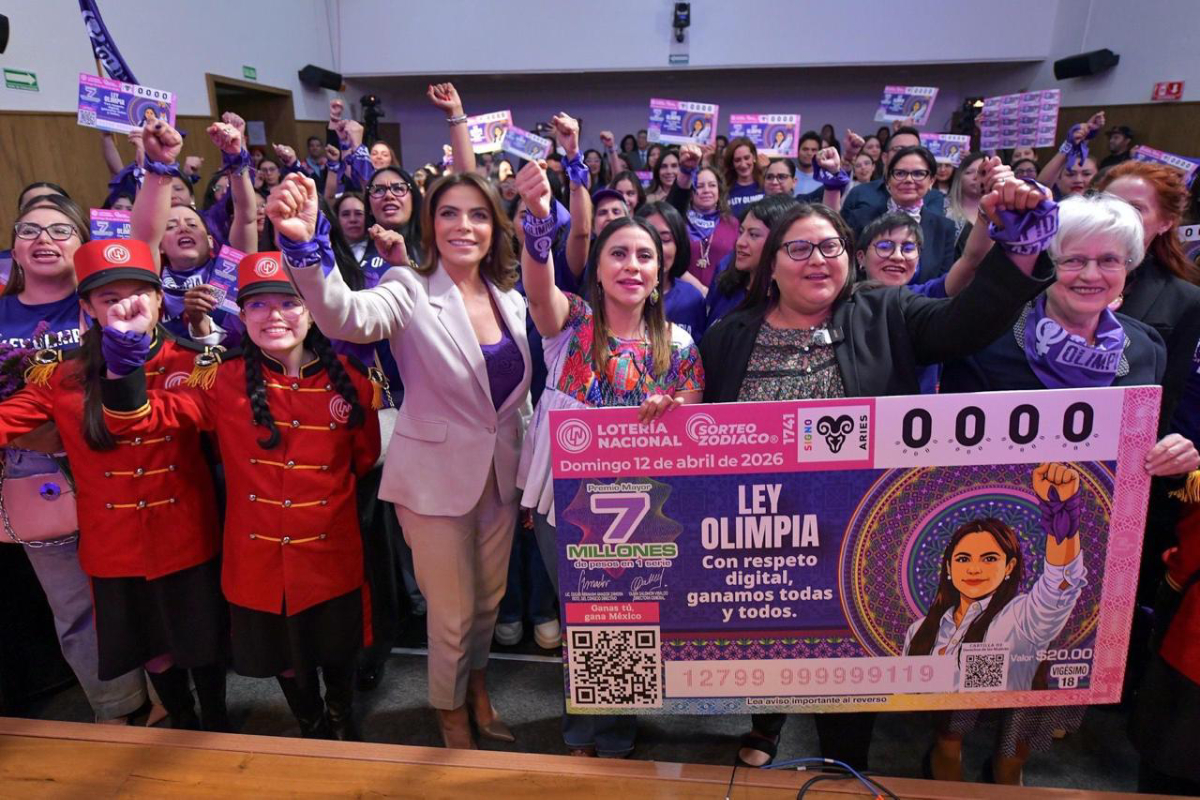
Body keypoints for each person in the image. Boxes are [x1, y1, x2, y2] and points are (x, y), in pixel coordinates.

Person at [700, 180, 1056, 771]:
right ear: (771, 265)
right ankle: (766, 723)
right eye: (799, 248)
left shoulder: (887, 311)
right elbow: (703, 429)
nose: (818, 260)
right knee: (774, 642)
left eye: (830, 247)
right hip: (765, 531)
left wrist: (1017, 251)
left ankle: (844, 763)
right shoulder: (728, 336)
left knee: (849, 659)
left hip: (860, 533)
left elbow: (966, 326)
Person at [936, 191, 1196, 785]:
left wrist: (1174, 452)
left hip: (1093, 533)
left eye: (1109, 260)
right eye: (1074, 259)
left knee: (1059, 656)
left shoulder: (1145, 346)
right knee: (978, 642)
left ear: (1129, 267)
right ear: (1050, 262)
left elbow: (1151, 432)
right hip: (994, 526)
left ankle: (1013, 759)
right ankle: (948, 745)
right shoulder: (991, 336)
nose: (1090, 274)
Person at [271, 165, 532, 750]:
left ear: (494, 227)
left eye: (478, 214)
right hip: (434, 484)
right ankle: (450, 714)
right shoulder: (408, 287)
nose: (463, 226)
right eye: (449, 213)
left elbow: (517, 400)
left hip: (500, 479)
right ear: (430, 223)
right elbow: (344, 314)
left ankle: (478, 689)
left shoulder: (510, 299)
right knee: (452, 615)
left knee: (487, 606)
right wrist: (306, 249)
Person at [99, 250, 381, 741]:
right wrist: (123, 362)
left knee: (338, 648)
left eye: (289, 302)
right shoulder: (219, 378)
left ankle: (340, 717)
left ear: (314, 308)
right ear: (242, 314)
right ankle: (311, 724)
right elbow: (140, 420)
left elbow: (364, 458)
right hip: (259, 558)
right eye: (258, 305)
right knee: (284, 656)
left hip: (331, 550)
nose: (274, 316)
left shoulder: (353, 380)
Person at [0, 238, 229, 731]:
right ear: (87, 307)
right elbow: (8, 418)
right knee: (151, 647)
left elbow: (204, 417)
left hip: (185, 532)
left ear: (160, 298)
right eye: (109, 298)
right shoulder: (61, 374)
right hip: (115, 544)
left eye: (138, 293)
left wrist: (126, 373)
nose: (126, 306)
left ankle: (216, 720)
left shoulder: (194, 363)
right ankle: (182, 719)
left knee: (201, 641)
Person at [514, 160, 703, 759]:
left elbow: (696, 427)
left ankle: (617, 735)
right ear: (597, 268)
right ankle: (581, 733)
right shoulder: (570, 325)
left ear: (659, 274)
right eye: (618, 253)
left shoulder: (680, 345)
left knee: (631, 617)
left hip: (647, 507)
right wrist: (538, 222)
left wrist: (672, 410)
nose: (632, 266)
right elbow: (538, 289)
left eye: (645, 256)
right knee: (582, 616)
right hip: (566, 502)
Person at [0, 197, 149, 725]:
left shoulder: (101, 300)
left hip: (114, 455)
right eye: (29, 230)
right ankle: (117, 708)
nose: (44, 239)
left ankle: (168, 694)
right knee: (72, 603)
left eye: (60, 230)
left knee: (141, 585)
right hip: (33, 469)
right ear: (14, 247)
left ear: (82, 243)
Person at [904, 472, 1090, 691]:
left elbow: (1060, 582)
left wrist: (1061, 508)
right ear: (948, 567)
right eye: (963, 559)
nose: (974, 569)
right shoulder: (918, 630)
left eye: (989, 558)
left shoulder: (1020, 619)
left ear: (1009, 567)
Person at [130, 115, 258, 344]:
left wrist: (236, 160)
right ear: (160, 246)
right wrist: (159, 165)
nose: (183, 229)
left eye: (192, 224)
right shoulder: (153, 278)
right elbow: (144, 237)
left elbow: (246, 217)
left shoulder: (231, 265)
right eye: (171, 226)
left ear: (210, 240)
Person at [845, 146, 956, 282]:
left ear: (931, 181)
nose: (909, 179)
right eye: (900, 173)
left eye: (918, 174)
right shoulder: (859, 219)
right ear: (888, 180)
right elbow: (849, 272)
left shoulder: (944, 228)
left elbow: (943, 283)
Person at [705, 194, 798, 329]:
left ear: (780, 241)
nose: (740, 242)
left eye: (753, 235)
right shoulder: (725, 280)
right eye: (741, 232)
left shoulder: (792, 307)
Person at [841, 127, 946, 235]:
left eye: (913, 149)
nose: (907, 154)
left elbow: (934, 231)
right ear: (885, 157)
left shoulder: (934, 198)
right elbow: (841, 234)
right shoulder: (859, 193)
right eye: (899, 149)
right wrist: (848, 158)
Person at [668, 145, 739, 293]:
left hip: (722, 296)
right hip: (682, 295)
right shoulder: (680, 220)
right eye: (700, 186)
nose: (706, 190)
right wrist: (699, 289)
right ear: (691, 192)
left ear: (719, 191)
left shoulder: (732, 223)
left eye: (712, 185)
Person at [637, 201, 706, 337]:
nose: (656, 248)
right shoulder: (620, 294)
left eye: (665, 239)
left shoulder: (692, 298)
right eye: (648, 238)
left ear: (679, 245)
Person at [945, 153, 986, 248]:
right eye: (969, 172)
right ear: (959, 177)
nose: (976, 177)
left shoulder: (1001, 211)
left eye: (982, 172)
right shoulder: (943, 210)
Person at [723, 137, 764, 219]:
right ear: (732, 163)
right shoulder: (724, 190)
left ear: (754, 157)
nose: (743, 164)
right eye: (737, 160)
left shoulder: (766, 185)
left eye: (746, 158)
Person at [793, 132, 823, 196]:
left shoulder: (826, 179)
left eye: (813, 150)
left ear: (820, 153)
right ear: (797, 151)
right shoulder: (789, 176)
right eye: (805, 149)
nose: (809, 153)